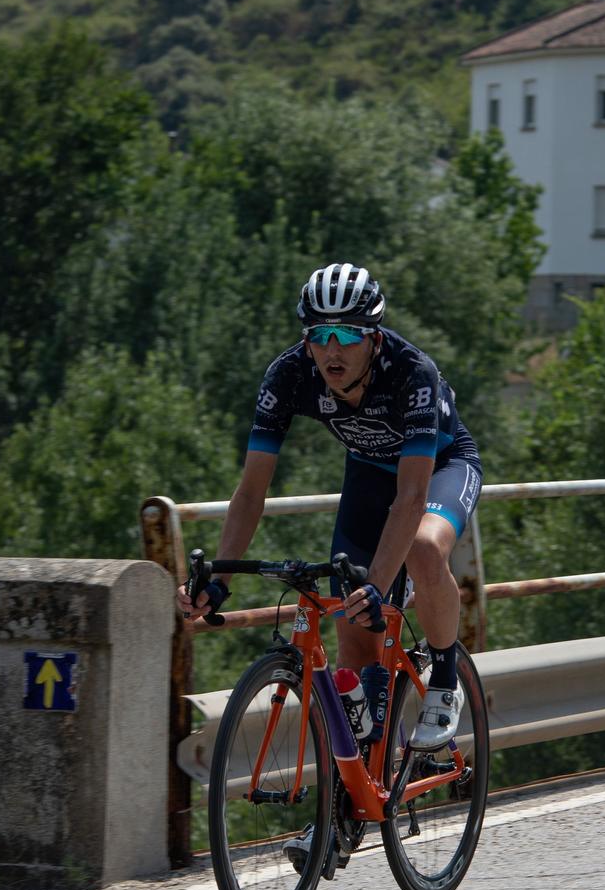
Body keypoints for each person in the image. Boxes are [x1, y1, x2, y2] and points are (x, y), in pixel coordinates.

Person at [176, 261, 483, 753]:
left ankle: (445, 678)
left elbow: (410, 499)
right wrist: (220, 579)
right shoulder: (289, 374)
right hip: (367, 473)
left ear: (374, 336)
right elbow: (251, 491)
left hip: (439, 467)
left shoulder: (412, 373)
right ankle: (342, 814)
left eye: (347, 334)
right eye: (319, 334)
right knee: (353, 658)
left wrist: (378, 588)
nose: (331, 349)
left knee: (423, 549)